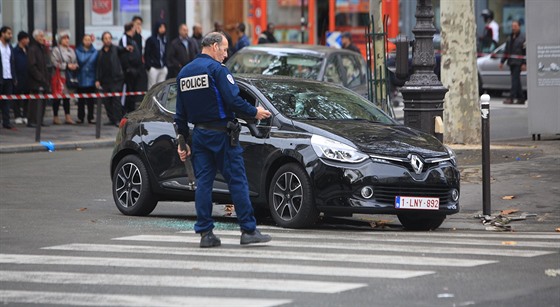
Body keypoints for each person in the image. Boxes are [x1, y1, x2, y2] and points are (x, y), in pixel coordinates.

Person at [175, 32, 272, 248]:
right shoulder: (216, 70)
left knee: (203, 184)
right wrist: (254, 112)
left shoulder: (184, 73)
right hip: (222, 135)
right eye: (225, 49)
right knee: (237, 181)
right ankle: (248, 230)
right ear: (214, 46)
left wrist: (182, 142)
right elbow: (233, 100)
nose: (226, 55)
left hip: (199, 135)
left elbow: (179, 114)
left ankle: (206, 234)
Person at [96, 31, 124, 126]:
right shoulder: (100, 52)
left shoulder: (116, 49)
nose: (108, 40)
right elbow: (98, 67)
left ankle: (117, 119)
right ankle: (111, 119)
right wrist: (97, 79)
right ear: (103, 40)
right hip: (105, 80)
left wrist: (128, 48)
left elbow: (123, 50)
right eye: (105, 38)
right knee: (107, 101)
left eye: (109, 38)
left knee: (116, 100)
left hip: (115, 79)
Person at [51, 31, 78, 125]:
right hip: (60, 76)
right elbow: (54, 62)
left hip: (69, 77)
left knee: (67, 97)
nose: (67, 40)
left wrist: (75, 66)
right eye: (64, 38)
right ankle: (55, 116)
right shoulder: (56, 50)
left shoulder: (71, 50)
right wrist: (66, 66)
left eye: (68, 38)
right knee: (57, 97)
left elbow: (76, 61)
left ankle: (68, 116)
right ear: (60, 40)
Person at [26, 29, 51, 128]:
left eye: (43, 36)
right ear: (35, 37)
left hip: (44, 80)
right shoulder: (33, 49)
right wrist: (40, 77)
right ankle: (32, 120)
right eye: (40, 36)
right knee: (35, 102)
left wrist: (46, 78)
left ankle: (40, 120)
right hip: (36, 81)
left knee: (42, 102)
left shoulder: (43, 49)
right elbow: (32, 66)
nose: (42, 38)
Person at [499, 20, 526, 105]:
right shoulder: (510, 37)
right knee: (516, 80)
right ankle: (521, 98)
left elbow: (525, 52)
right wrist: (502, 61)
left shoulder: (523, 38)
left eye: (515, 26)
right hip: (511, 62)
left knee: (515, 80)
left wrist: (524, 63)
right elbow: (506, 51)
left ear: (519, 27)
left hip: (518, 62)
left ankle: (511, 98)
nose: (513, 28)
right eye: (512, 26)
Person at [119, 22, 143, 113]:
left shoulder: (133, 39)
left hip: (135, 70)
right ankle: (124, 111)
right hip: (129, 71)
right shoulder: (125, 38)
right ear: (131, 28)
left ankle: (131, 110)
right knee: (127, 92)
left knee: (133, 93)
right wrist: (128, 68)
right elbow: (124, 53)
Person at [75, 34, 98, 124]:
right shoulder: (77, 51)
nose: (87, 41)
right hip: (81, 77)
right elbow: (79, 61)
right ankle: (80, 117)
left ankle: (90, 117)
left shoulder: (95, 52)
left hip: (91, 78)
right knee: (80, 100)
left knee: (91, 100)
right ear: (82, 41)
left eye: (89, 39)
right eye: (86, 39)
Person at [0, 26, 17, 130]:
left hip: (8, 77)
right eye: (8, 33)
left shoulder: (10, 47)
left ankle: (6, 122)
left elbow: (12, 63)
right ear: (2, 33)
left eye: (11, 34)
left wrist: (14, 77)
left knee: (7, 102)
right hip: (0, 77)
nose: (10, 36)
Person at [144, 21, 167, 89]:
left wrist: (166, 65)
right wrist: (149, 66)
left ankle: (160, 100)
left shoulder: (165, 40)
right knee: (152, 87)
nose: (163, 29)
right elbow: (147, 53)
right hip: (153, 67)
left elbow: (165, 52)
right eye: (161, 27)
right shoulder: (151, 40)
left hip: (163, 67)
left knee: (161, 87)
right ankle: (151, 100)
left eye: (164, 27)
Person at [12, 31, 29, 125]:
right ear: (21, 39)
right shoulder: (15, 51)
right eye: (26, 38)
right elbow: (13, 64)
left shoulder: (28, 50)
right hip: (18, 76)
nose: (27, 40)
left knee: (27, 97)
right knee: (17, 97)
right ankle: (17, 115)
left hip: (27, 76)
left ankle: (25, 115)